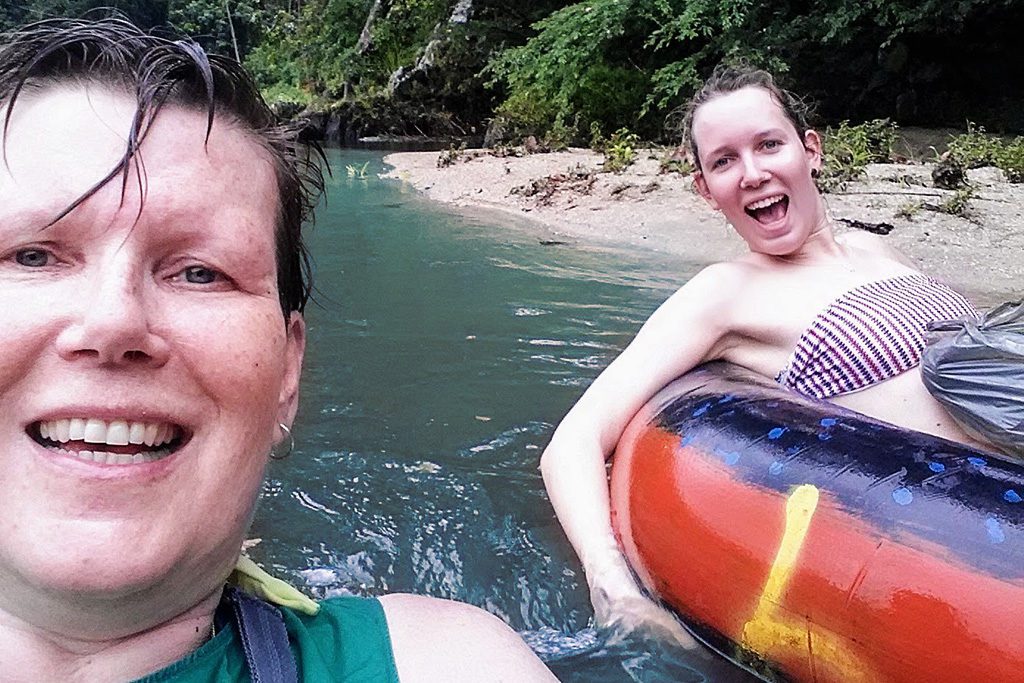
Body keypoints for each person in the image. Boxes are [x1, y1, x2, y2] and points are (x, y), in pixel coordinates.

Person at [0, 15, 557, 682]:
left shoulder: (438, 664)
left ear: (289, 371)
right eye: (31, 256)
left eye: (200, 271)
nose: (113, 321)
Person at [540, 64, 988, 642]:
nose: (752, 173)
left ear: (811, 152)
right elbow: (572, 443)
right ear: (706, 188)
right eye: (724, 161)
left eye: (768, 145)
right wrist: (616, 590)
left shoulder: (877, 249)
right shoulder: (725, 292)